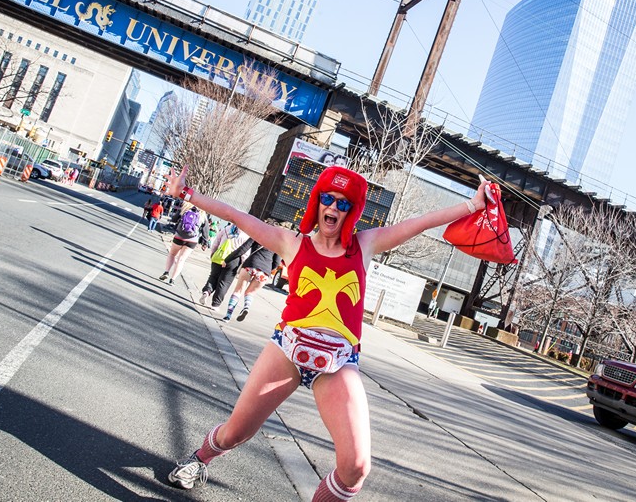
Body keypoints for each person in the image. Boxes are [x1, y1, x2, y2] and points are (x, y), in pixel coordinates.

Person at [163, 164, 488, 498]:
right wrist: (187, 194)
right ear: (316, 203)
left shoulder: (365, 246)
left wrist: (473, 206)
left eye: (343, 203)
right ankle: (200, 459)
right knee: (236, 433)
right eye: (327, 199)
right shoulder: (292, 243)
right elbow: (238, 216)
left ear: (352, 211)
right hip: (287, 351)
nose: (333, 208)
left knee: (356, 466)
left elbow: (419, 223)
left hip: (338, 363)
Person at [220, 236, 282, 322]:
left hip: (250, 265)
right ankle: (246, 307)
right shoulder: (278, 243)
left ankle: (228, 315)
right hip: (264, 271)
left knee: (238, 291)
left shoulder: (256, 234)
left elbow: (242, 249)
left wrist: (227, 259)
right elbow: (276, 262)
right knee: (250, 293)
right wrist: (267, 269)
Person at [198, 223, 247, 310]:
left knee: (213, 276)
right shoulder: (244, 235)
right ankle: (215, 304)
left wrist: (213, 253)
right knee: (224, 282)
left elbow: (216, 242)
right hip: (233, 260)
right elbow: (245, 253)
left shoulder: (226, 229)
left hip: (219, 256)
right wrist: (242, 265)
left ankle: (207, 291)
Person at [159, 205, 202, 286]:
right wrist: (205, 242)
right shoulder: (202, 214)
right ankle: (172, 280)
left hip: (179, 236)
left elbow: (174, 219)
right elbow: (205, 230)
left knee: (172, 254)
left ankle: (166, 272)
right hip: (192, 240)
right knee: (181, 259)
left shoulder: (185, 209)